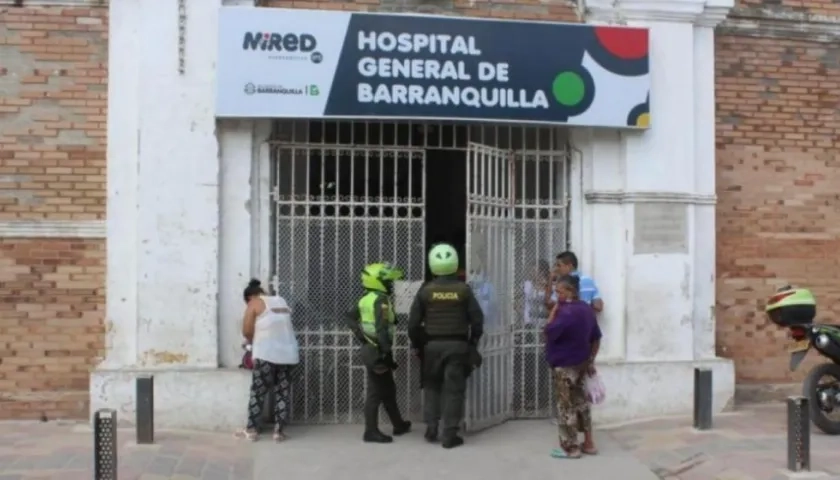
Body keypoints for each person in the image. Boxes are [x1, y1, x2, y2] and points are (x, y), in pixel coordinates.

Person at [408, 243, 484, 449]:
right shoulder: (463, 290)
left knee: (431, 386)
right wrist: (472, 343)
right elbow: (477, 320)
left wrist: (418, 345)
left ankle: (431, 428)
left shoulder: (426, 291)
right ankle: (450, 434)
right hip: (457, 346)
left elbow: (413, 323)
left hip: (432, 347)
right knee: (454, 390)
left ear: (432, 265)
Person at [344, 262, 412, 443]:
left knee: (388, 389)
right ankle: (370, 431)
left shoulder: (365, 298)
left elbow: (349, 317)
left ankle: (398, 424)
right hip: (377, 351)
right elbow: (382, 329)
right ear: (377, 281)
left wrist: (362, 337)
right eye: (387, 281)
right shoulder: (381, 300)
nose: (390, 285)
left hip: (371, 349)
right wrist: (386, 353)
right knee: (376, 392)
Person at [545, 275, 601, 459]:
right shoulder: (586, 309)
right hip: (582, 364)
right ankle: (589, 443)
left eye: (559, 291)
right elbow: (596, 337)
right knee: (581, 403)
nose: (557, 295)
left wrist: (552, 314)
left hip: (565, 366)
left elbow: (549, 332)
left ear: (570, 291)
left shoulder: (565, 312)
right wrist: (591, 360)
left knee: (565, 406)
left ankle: (571, 447)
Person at [236, 279, 300, 442]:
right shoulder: (281, 300)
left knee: (258, 392)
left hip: (266, 354)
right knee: (282, 392)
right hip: (288, 354)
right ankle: (278, 432)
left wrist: (250, 342)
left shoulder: (254, 303)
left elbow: (247, 330)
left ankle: (252, 431)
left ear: (249, 297)